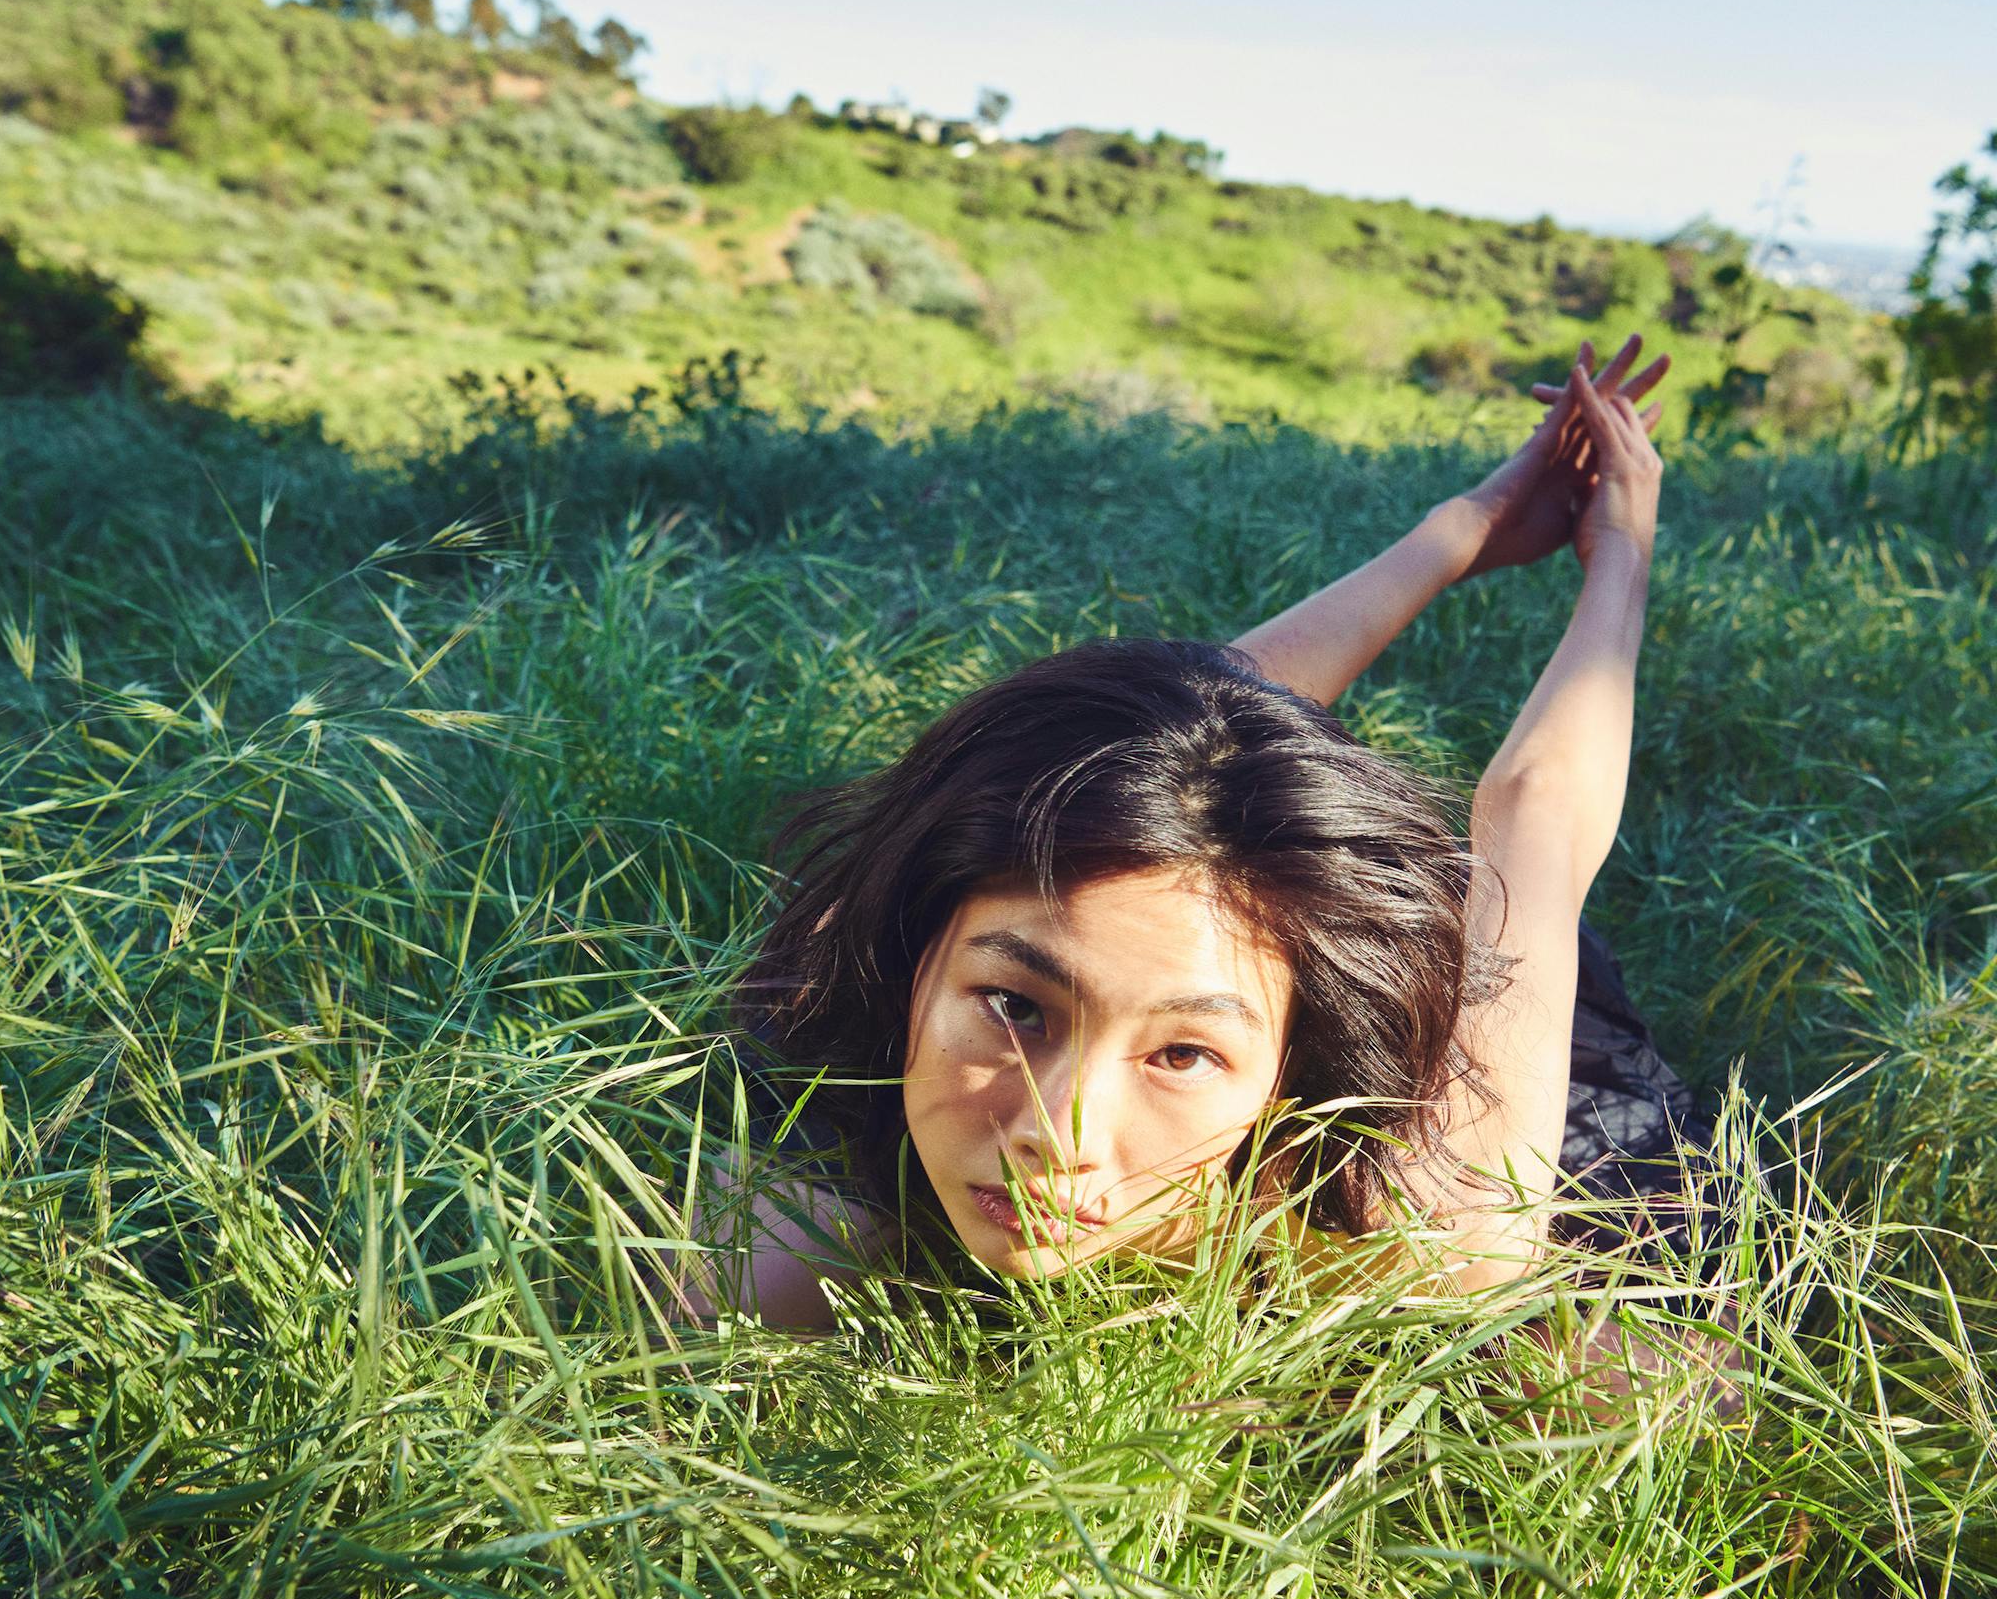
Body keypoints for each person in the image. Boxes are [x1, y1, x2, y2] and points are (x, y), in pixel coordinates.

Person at [691, 337, 1717, 1338]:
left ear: (1285, 1077)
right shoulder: (833, 1045)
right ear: (916, 948)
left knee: (1644, 1385)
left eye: (1182, 1053)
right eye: (1013, 1006)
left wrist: (1619, 548)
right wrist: (1466, 523)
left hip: (1451, 974)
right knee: (1171, 765)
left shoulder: (1434, 1214)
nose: (1057, 1137)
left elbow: (1533, 808)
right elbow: (1184, 733)